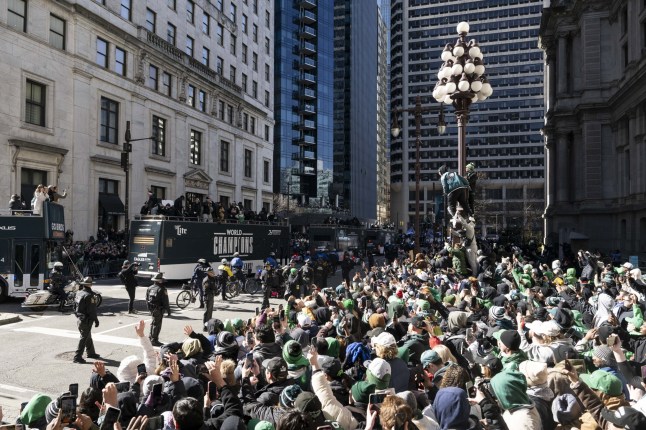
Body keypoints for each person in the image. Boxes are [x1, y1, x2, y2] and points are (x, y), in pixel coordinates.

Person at [73, 277, 100, 363]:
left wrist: (77, 315)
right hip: (86, 319)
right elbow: (92, 310)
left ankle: (91, 353)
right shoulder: (89, 295)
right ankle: (77, 357)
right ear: (91, 284)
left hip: (80, 318)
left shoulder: (79, 293)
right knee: (84, 337)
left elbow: (74, 306)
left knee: (87, 335)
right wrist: (96, 320)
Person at [146, 272, 171, 346]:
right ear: (160, 281)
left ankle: (151, 338)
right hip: (158, 309)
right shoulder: (162, 289)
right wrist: (168, 310)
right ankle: (154, 340)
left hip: (152, 308)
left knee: (153, 323)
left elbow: (146, 298)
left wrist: (149, 308)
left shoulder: (149, 288)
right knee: (157, 325)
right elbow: (165, 301)